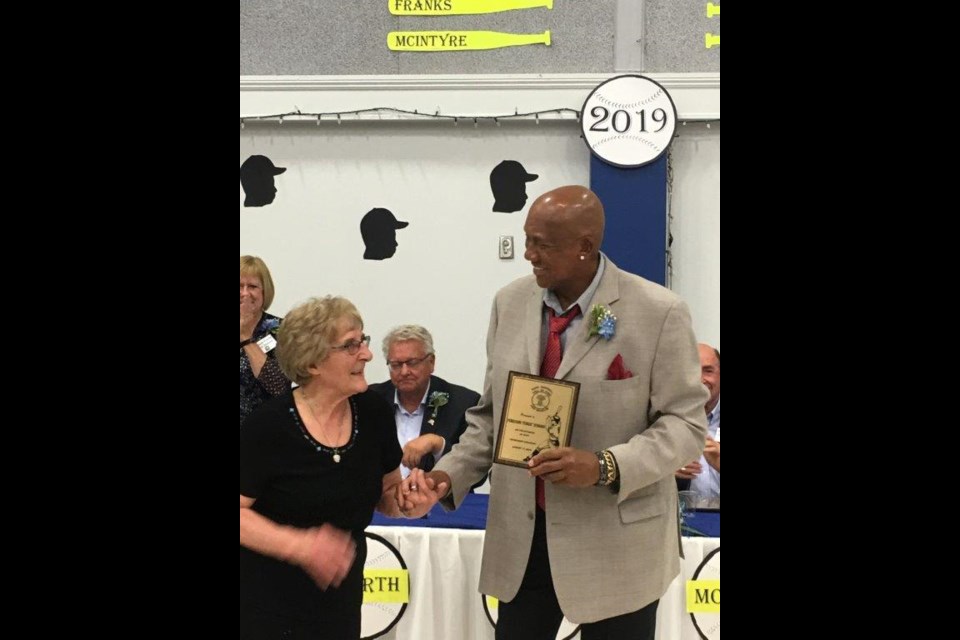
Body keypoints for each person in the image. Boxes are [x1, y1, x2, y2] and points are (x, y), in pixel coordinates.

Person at [399, 185, 708, 640]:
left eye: (541, 244)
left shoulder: (659, 311)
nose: (528, 254)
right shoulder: (509, 303)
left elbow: (685, 425)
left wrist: (605, 465)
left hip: (618, 546)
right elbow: (490, 417)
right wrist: (446, 478)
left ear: (586, 246)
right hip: (522, 542)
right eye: (526, 240)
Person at [239, 296, 413, 639]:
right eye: (351, 344)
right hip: (264, 606)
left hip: (340, 605)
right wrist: (300, 546)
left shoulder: (374, 413)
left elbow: (388, 495)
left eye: (363, 340)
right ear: (313, 362)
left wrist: (409, 499)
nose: (367, 353)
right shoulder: (269, 427)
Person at [368, 325, 480, 477]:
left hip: (436, 499)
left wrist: (438, 445)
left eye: (412, 362)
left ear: (431, 362)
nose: (404, 371)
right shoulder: (370, 400)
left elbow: (476, 472)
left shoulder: (463, 403)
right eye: (396, 365)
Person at [240, 255, 291, 427]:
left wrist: (246, 336)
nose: (245, 293)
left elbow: (279, 387)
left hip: (265, 431)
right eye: (239, 286)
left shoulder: (281, 329)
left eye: (252, 286)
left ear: (264, 291)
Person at [676, 344, 720, 503]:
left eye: (708, 371)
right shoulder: (666, 418)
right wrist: (668, 470)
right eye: (693, 371)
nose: (700, 379)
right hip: (683, 519)